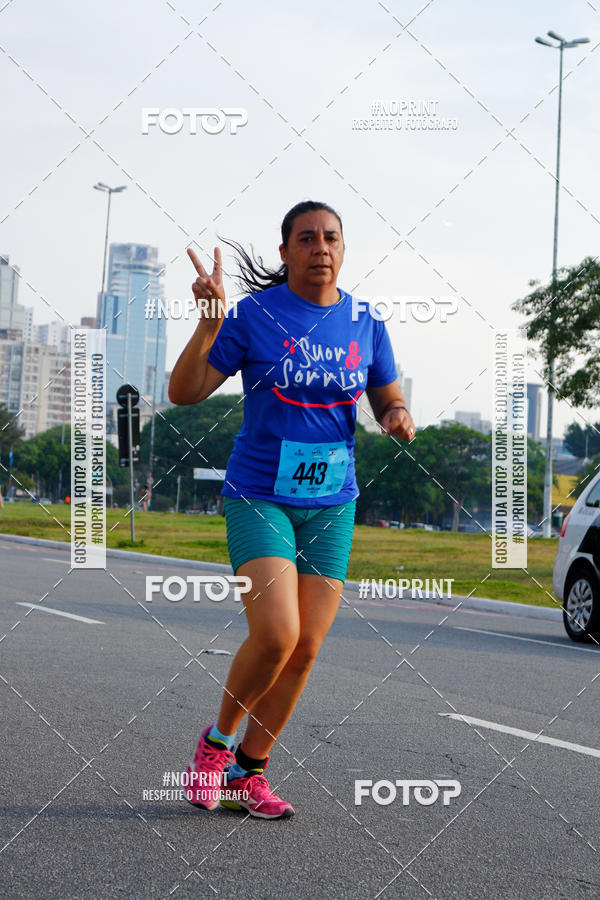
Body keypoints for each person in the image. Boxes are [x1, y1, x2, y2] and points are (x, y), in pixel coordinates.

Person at [169, 200, 415, 819]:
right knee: (277, 634)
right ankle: (215, 746)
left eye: (331, 237)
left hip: (332, 501)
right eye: (306, 238)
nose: (320, 247)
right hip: (260, 493)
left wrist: (396, 416)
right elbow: (185, 392)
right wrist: (208, 326)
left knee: (306, 648)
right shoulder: (254, 315)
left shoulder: (365, 321)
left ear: (343, 247)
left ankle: (248, 775)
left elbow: (387, 394)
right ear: (285, 253)